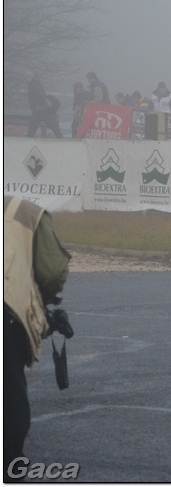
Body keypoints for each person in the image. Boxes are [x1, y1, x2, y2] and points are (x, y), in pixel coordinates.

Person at [4, 195, 73, 481]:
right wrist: (43, 300)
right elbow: (53, 270)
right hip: (7, 316)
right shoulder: (26, 212)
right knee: (9, 403)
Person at [24, 72, 63, 138]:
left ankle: (29, 139)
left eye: (28, 77)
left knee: (33, 126)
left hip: (39, 109)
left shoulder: (34, 85)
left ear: (32, 78)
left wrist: (46, 101)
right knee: (50, 124)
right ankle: (60, 137)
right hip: (41, 109)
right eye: (26, 78)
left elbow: (41, 94)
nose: (27, 79)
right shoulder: (32, 85)